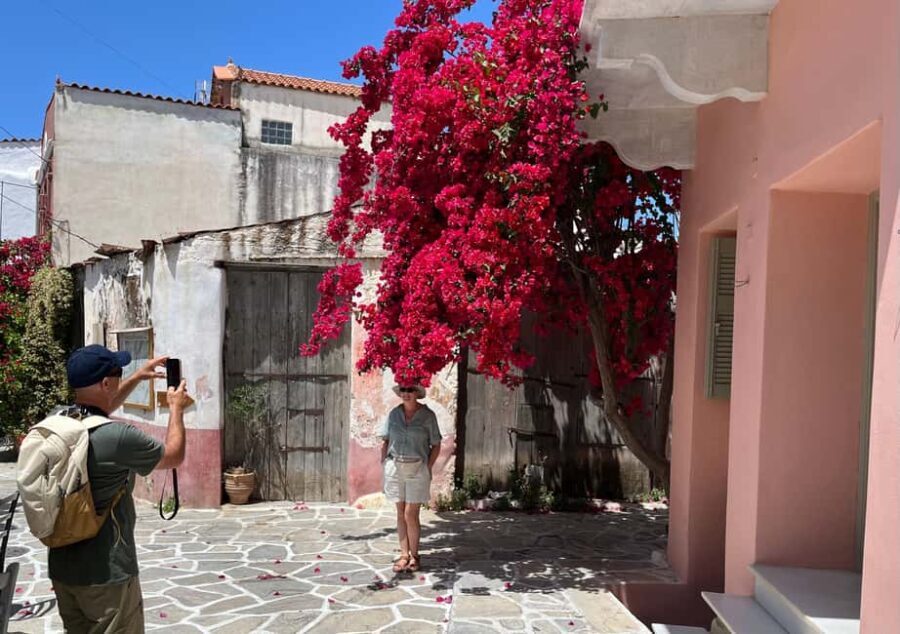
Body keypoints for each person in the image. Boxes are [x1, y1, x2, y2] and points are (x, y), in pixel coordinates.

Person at [48, 344, 190, 633]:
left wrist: (137, 376)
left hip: (64, 569)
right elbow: (174, 454)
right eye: (118, 373)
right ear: (105, 383)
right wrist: (176, 408)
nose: (120, 376)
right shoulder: (118, 437)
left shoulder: (60, 421)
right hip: (106, 573)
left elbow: (100, 410)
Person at [378, 383, 442, 574]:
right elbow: (386, 439)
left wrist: (427, 466)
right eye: (403, 390)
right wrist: (384, 462)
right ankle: (404, 554)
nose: (406, 394)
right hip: (395, 467)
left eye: (410, 390)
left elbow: (436, 444)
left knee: (410, 513)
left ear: (417, 393)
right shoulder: (394, 415)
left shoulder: (428, 416)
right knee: (399, 512)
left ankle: (415, 555)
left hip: (417, 468)